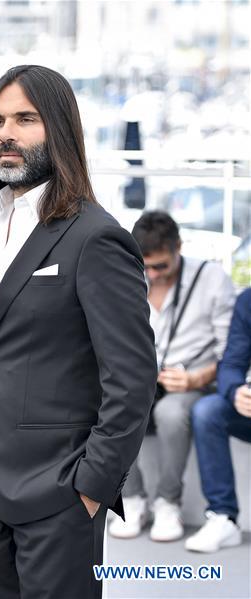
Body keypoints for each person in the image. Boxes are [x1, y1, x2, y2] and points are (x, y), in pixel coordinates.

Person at [0, 65, 157, 599]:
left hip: (60, 492)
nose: (6, 133)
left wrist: (90, 487)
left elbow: (132, 377)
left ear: (59, 130)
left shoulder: (97, 237)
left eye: (25, 118)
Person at [109, 211, 234, 541]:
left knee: (172, 412)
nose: (152, 274)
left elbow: (230, 353)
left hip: (193, 382)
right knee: (113, 403)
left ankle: (168, 503)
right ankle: (130, 499)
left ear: (179, 246)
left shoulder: (212, 278)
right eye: (145, 266)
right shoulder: (129, 277)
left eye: (161, 266)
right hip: (142, 381)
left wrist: (196, 378)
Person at [185, 288, 251, 553]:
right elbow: (232, 361)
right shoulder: (248, 300)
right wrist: (237, 392)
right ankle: (224, 517)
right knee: (208, 411)